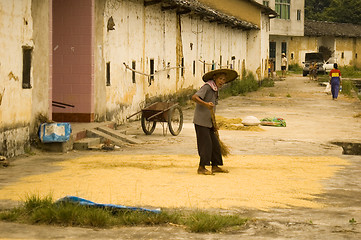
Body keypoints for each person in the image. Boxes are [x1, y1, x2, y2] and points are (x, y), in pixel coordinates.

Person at [192, 69, 238, 175]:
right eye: (220, 78)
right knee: (206, 144)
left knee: (215, 145)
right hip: (201, 121)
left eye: (224, 79)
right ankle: (201, 167)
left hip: (209, 122)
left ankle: (215, 166)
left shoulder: (215, 89)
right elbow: (194, 97)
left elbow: (213, 108)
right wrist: (206, 104)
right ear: (214, 78)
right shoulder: (207, 87)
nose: (222, 81)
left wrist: (214, 124)